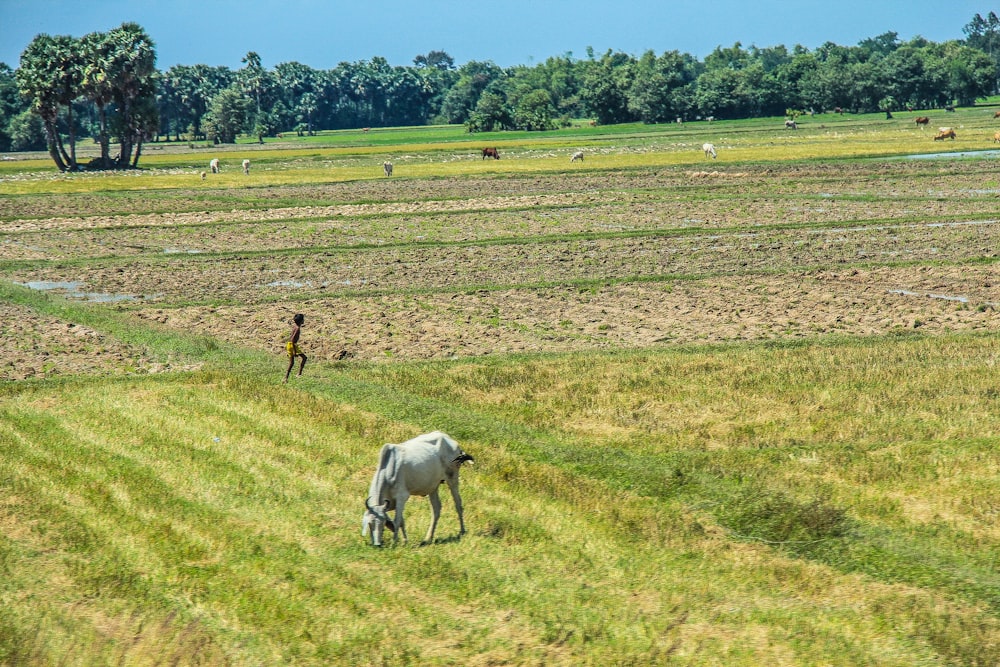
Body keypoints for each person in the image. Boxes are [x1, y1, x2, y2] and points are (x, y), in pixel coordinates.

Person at [284, 313, 307, 382]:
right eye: (303, 319)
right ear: (301, 321)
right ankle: (298, 374)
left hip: (290, 344)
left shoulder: (295, 326)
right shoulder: (297, 329)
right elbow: (293, 340)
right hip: (292, 345)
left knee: (292, 362)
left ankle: (286, 377)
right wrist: (294, 351)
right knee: (303, 358)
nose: (304, 320)